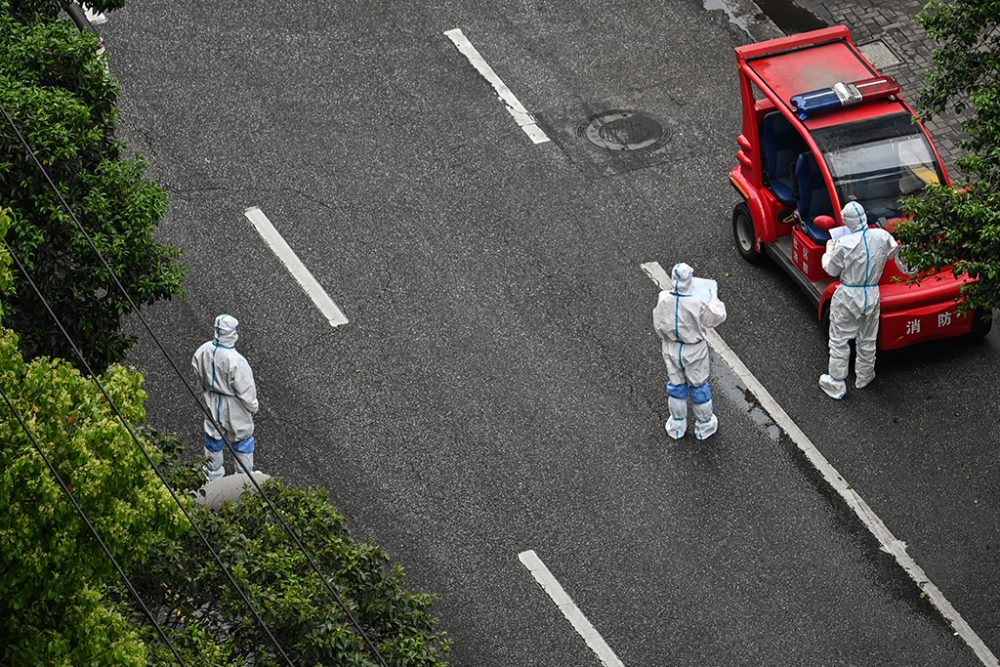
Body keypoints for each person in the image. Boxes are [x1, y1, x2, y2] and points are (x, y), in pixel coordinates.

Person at [819, 201, 899, 400]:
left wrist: (829, 250)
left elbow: (831, 269)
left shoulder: (844, 244)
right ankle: (864, 376)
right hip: (872, 294)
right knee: (867, 338)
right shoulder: (882, 236)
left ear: (847, 222)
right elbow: (895, 255)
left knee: (839, 340)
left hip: (848, 295)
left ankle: (836, 382)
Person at [653, 263, 728, 440]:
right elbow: (716, 317)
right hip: (694, 350)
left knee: (676, 387)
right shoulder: (697, 301)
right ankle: (704, 426)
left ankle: (677, 425)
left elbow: (658, 325)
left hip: (671, 347)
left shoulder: (663, 297)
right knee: (698, 388)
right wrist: (714, 299)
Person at [192, 314, 259, 481]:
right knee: (242, 438)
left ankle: (212, 475)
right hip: (233, 403)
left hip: (212, 399)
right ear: (232, 333)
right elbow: (245, 388)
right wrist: (252, 406)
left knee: (213, 436)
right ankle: (244, 477)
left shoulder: (204, 350)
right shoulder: (236, 360)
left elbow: (196, 369)